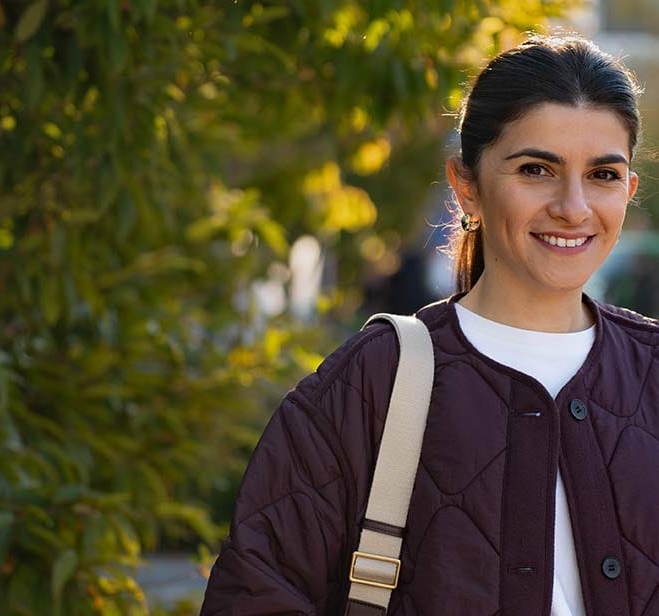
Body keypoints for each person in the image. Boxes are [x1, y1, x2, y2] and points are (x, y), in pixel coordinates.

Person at [200, 33, 659, 616]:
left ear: (629, 190)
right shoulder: (371, 383)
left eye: (603, 175)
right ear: (467, 186)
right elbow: (256, 592)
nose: (573, 207)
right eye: (536, 169)